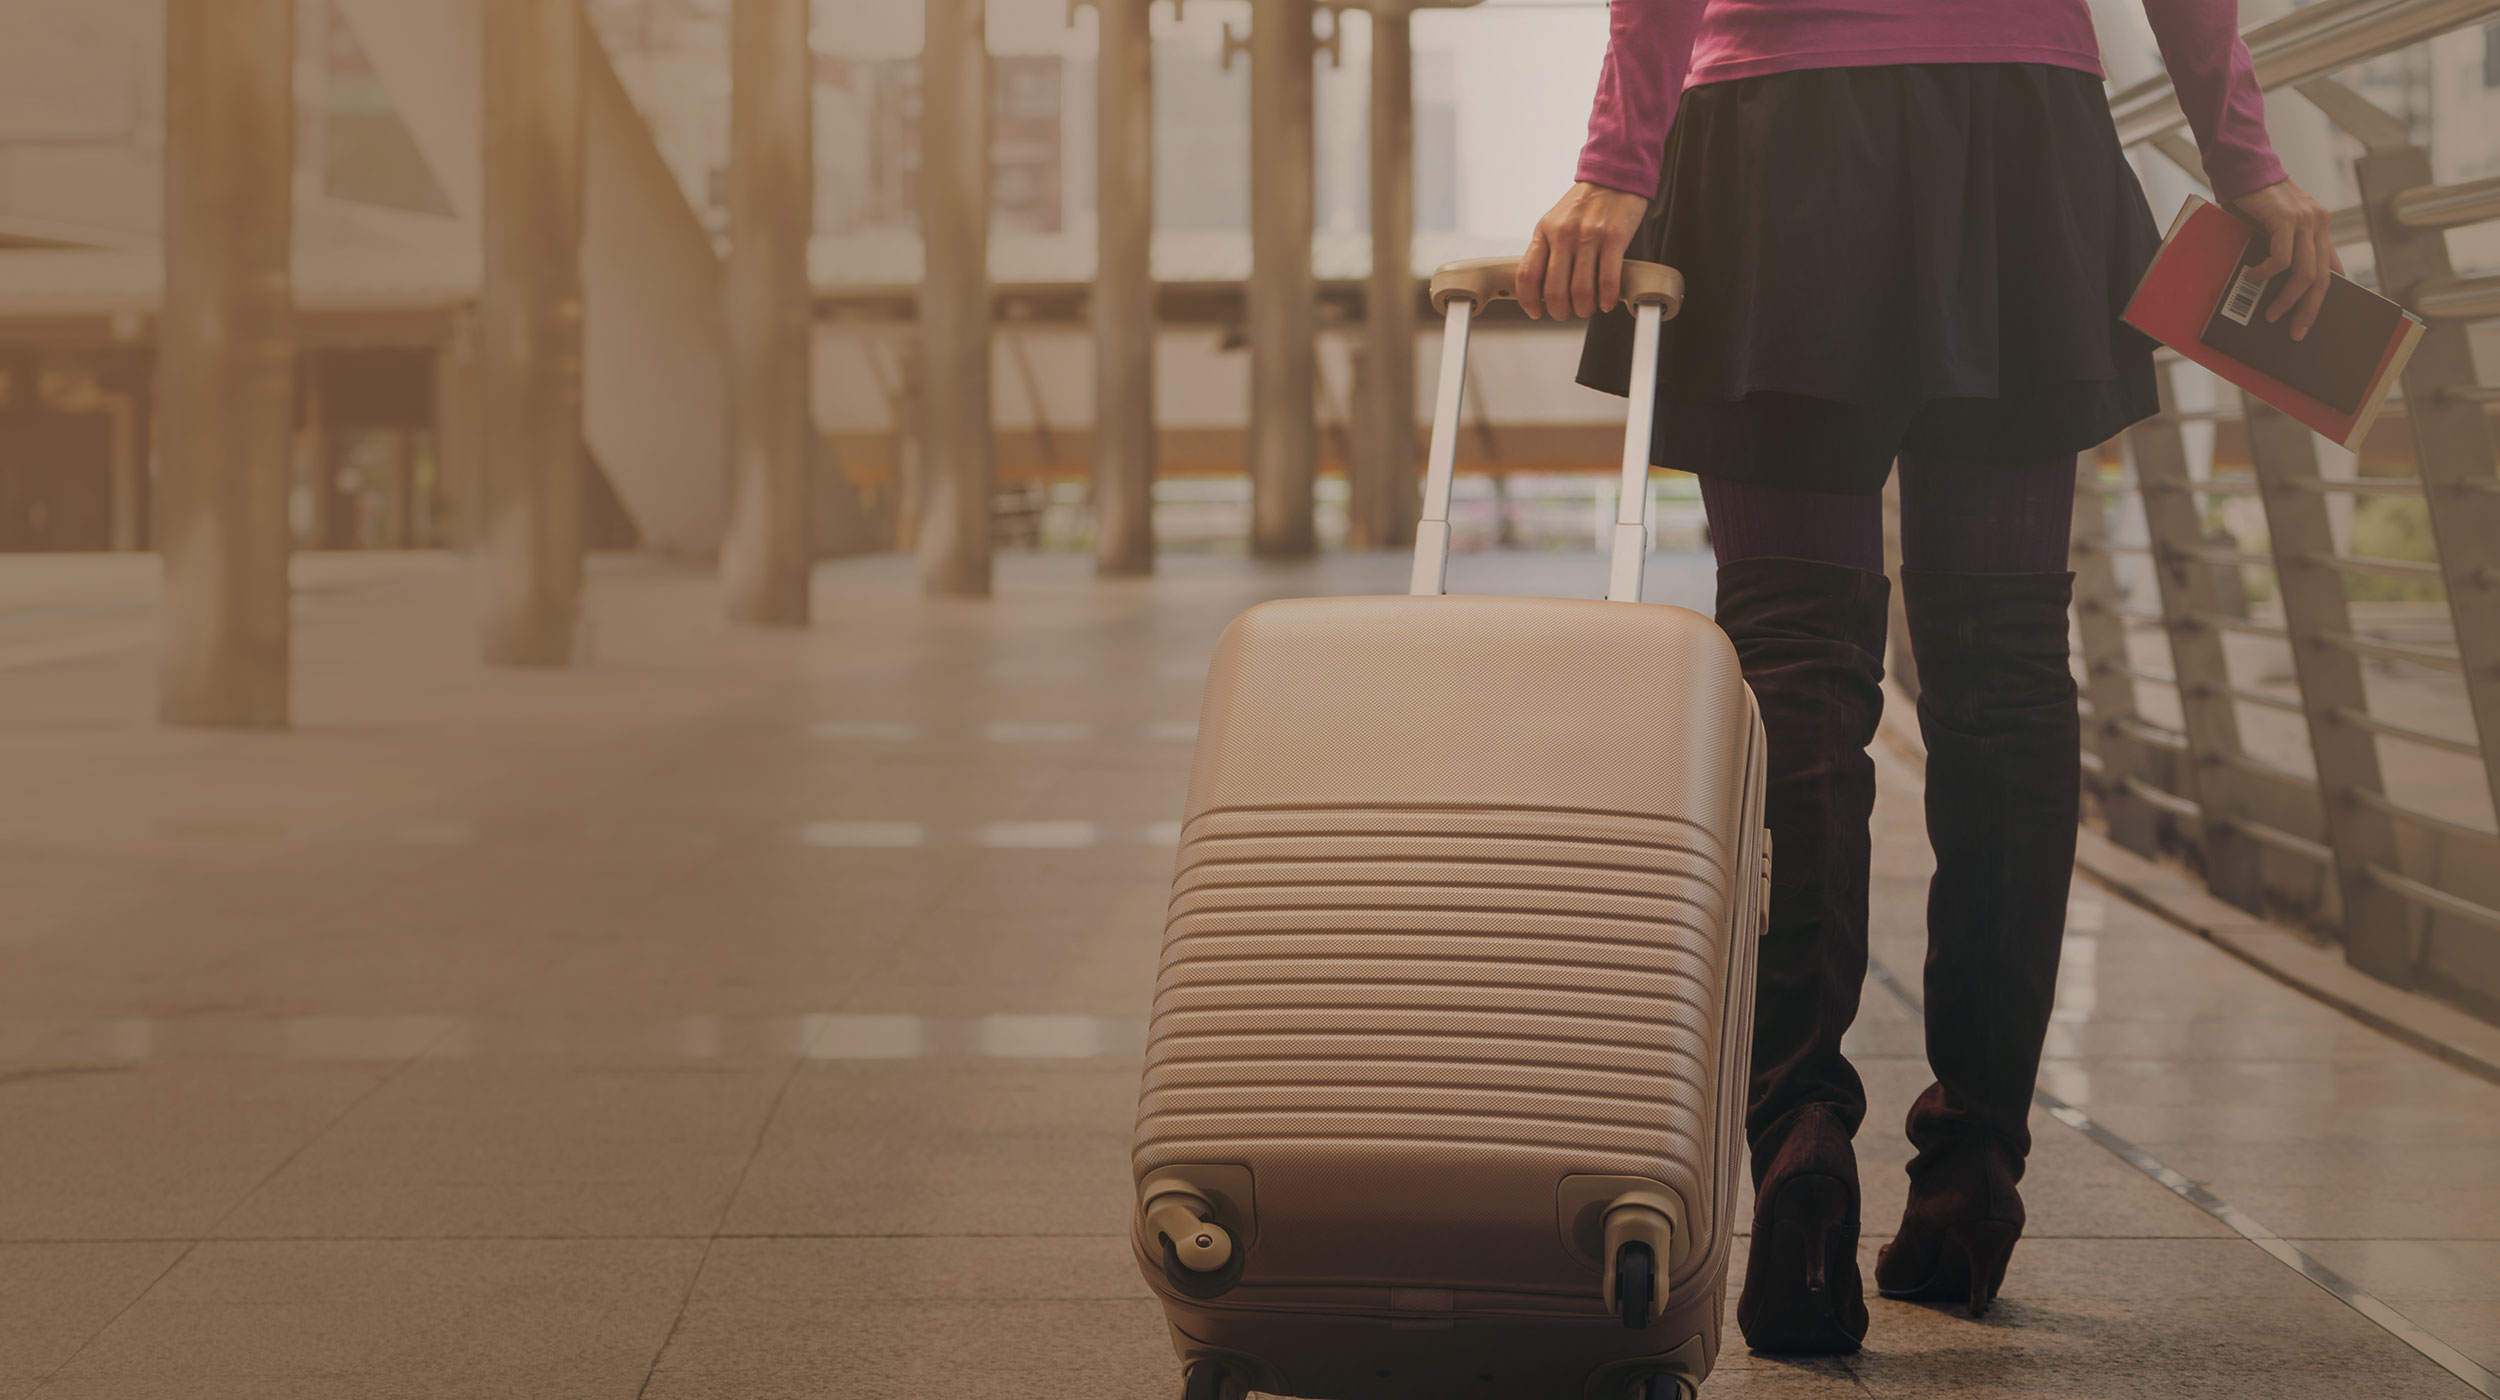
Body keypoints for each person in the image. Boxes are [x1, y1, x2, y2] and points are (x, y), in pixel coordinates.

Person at [1516, 0, 2330, 1357]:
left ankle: (1800, 1138)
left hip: (1778, 138)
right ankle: (1973, 1171)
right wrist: (2247, 160)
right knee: (2006, 666)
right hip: (2017, 125)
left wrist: (1620, 155)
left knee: (1792, 661)